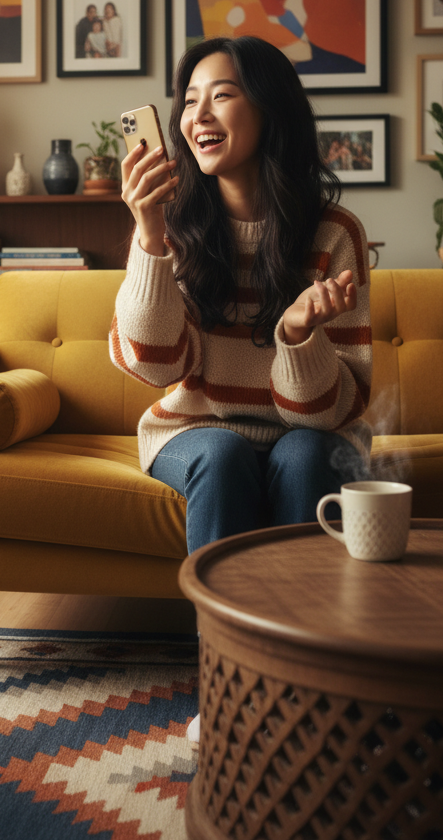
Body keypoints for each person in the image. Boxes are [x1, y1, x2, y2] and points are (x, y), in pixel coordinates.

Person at [111, 35, 371, 552]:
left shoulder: (335, 235)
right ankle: (219, 635)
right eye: (189, 101)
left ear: (270, 109)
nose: (198, 115)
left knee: (304, 458)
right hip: (194, 432)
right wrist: (149, 234)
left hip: (312, 433)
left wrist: (297, 335)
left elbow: (326, 414)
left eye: (222, 96)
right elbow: (156, 367)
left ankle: (296, 633)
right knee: (223, 455)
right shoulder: (172, 227)